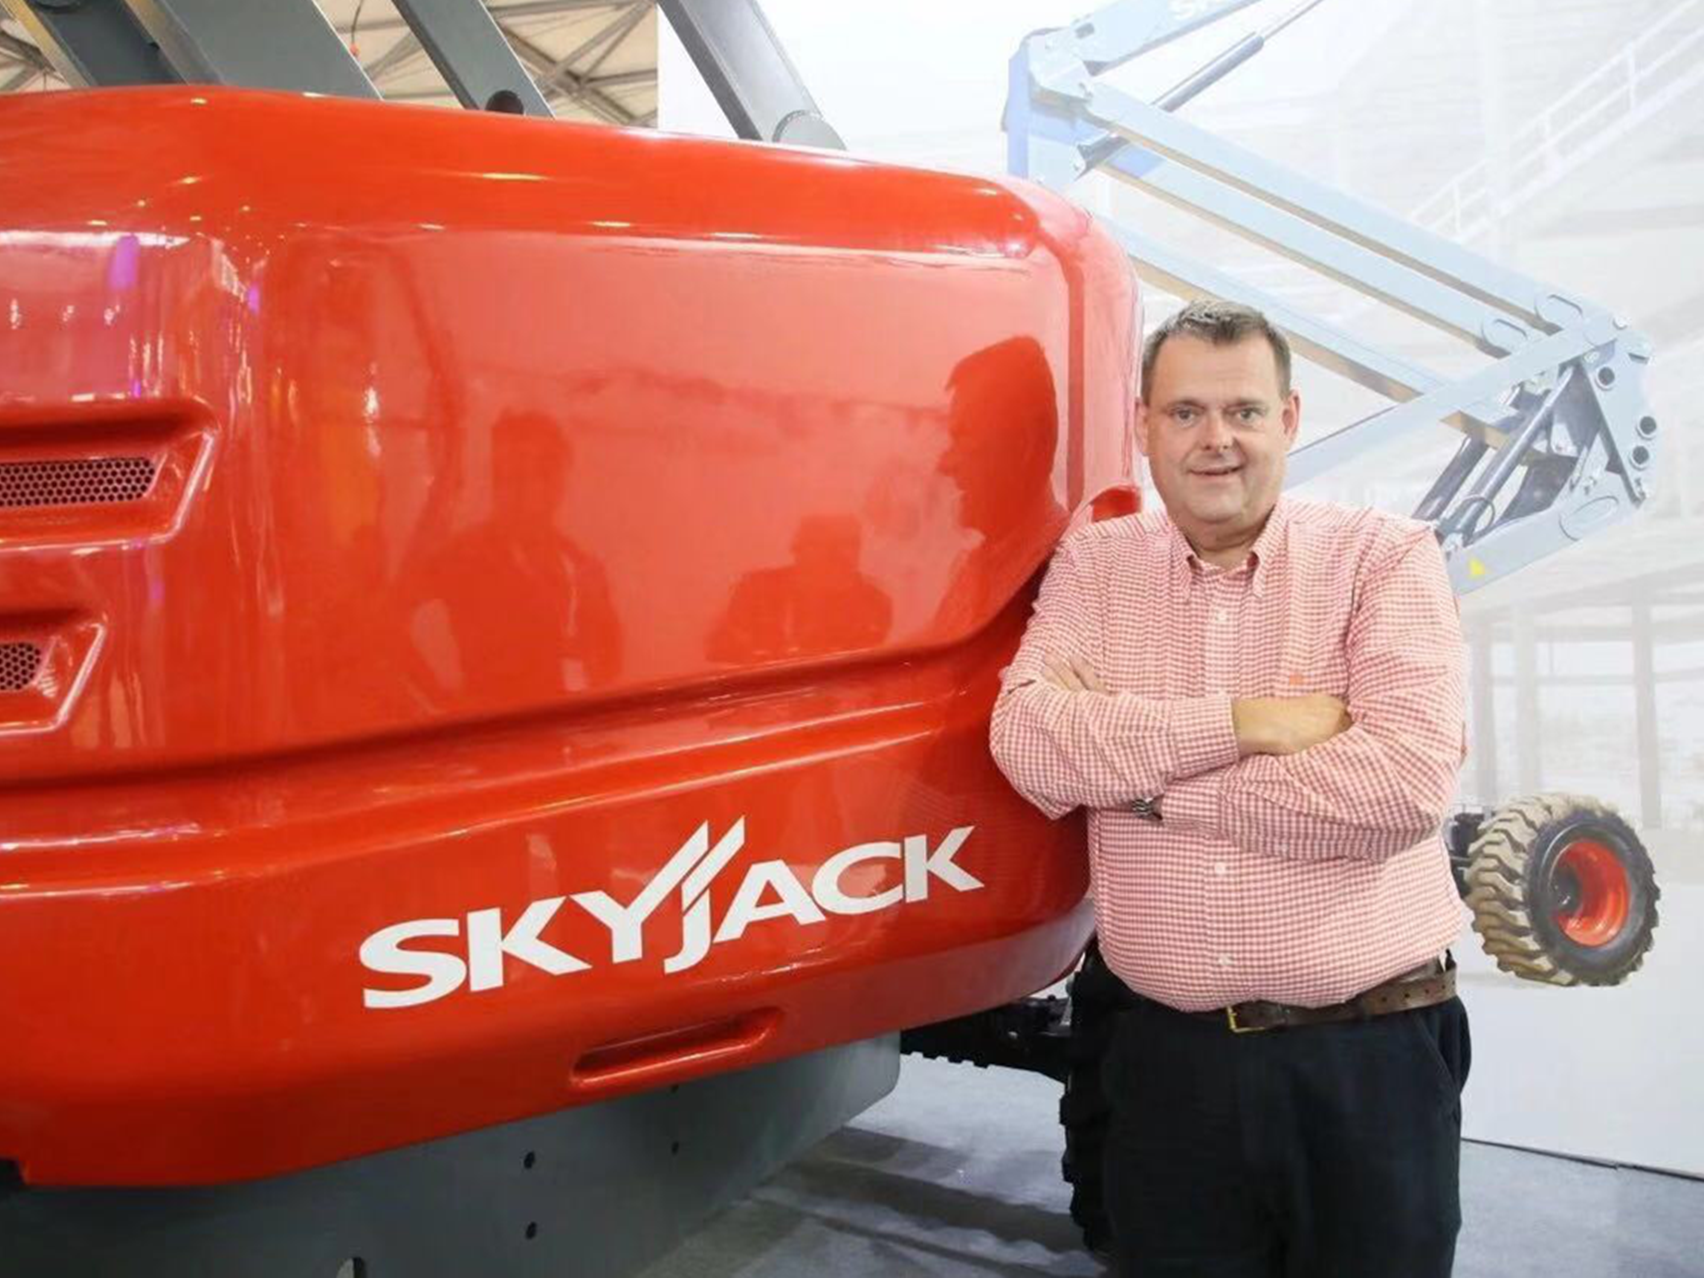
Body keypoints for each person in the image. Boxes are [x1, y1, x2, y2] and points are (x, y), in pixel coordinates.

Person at [989, 299, 1472, 1278]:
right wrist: (1248, 724)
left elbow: (1404, 786)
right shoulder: (1097, 563)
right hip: (1166, 1069)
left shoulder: (1382, 558)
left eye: (1244, 411)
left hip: (1365, 1061)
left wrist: (1150, 790)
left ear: (1288, 420)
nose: (1216, 440)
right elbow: (1028, 743)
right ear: (1144, 426)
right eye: (1186, 413)